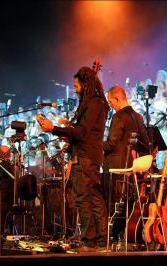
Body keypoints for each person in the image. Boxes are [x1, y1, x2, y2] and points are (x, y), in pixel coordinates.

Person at [39, 66, 109, 251]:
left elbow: (81, 132)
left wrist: (53, 128)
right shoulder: (93, 104)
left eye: (76, 85)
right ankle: (98, 241)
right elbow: (81, 133)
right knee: (92, 199)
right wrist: (63, 133)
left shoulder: (94, 104)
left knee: (85, 200)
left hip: (86, 158)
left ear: (85, 84)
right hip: (86, 156)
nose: (75, 89)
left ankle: (91, 242)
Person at [102, 85, 149, 204]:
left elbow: (111, 144)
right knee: (127, 205)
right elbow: (145, 144)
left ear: (117, 98)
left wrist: (94, 144)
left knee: (112, 205)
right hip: (131, 168)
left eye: (110, 101)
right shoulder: (138, 117)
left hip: (115, 169)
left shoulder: (118, 117)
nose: (110, 105)